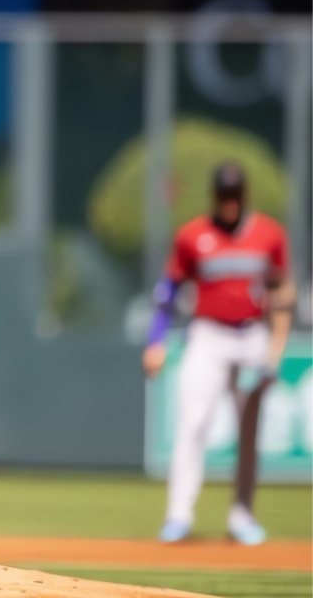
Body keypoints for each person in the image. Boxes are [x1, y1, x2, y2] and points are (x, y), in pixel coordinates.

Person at [142, 162, 295, 546]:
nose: (229, 204)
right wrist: (155, 341)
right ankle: (178, 516)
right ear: (215, 196)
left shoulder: (268, 234)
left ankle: (242, 517)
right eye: (224, 196)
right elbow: (167, 292)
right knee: (192, 423)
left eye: (235, 196)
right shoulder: (193, 235)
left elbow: (282, 294)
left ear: (244, 195)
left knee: (249, 431)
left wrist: (275, 350)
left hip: (251, 337)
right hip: (207, 335)